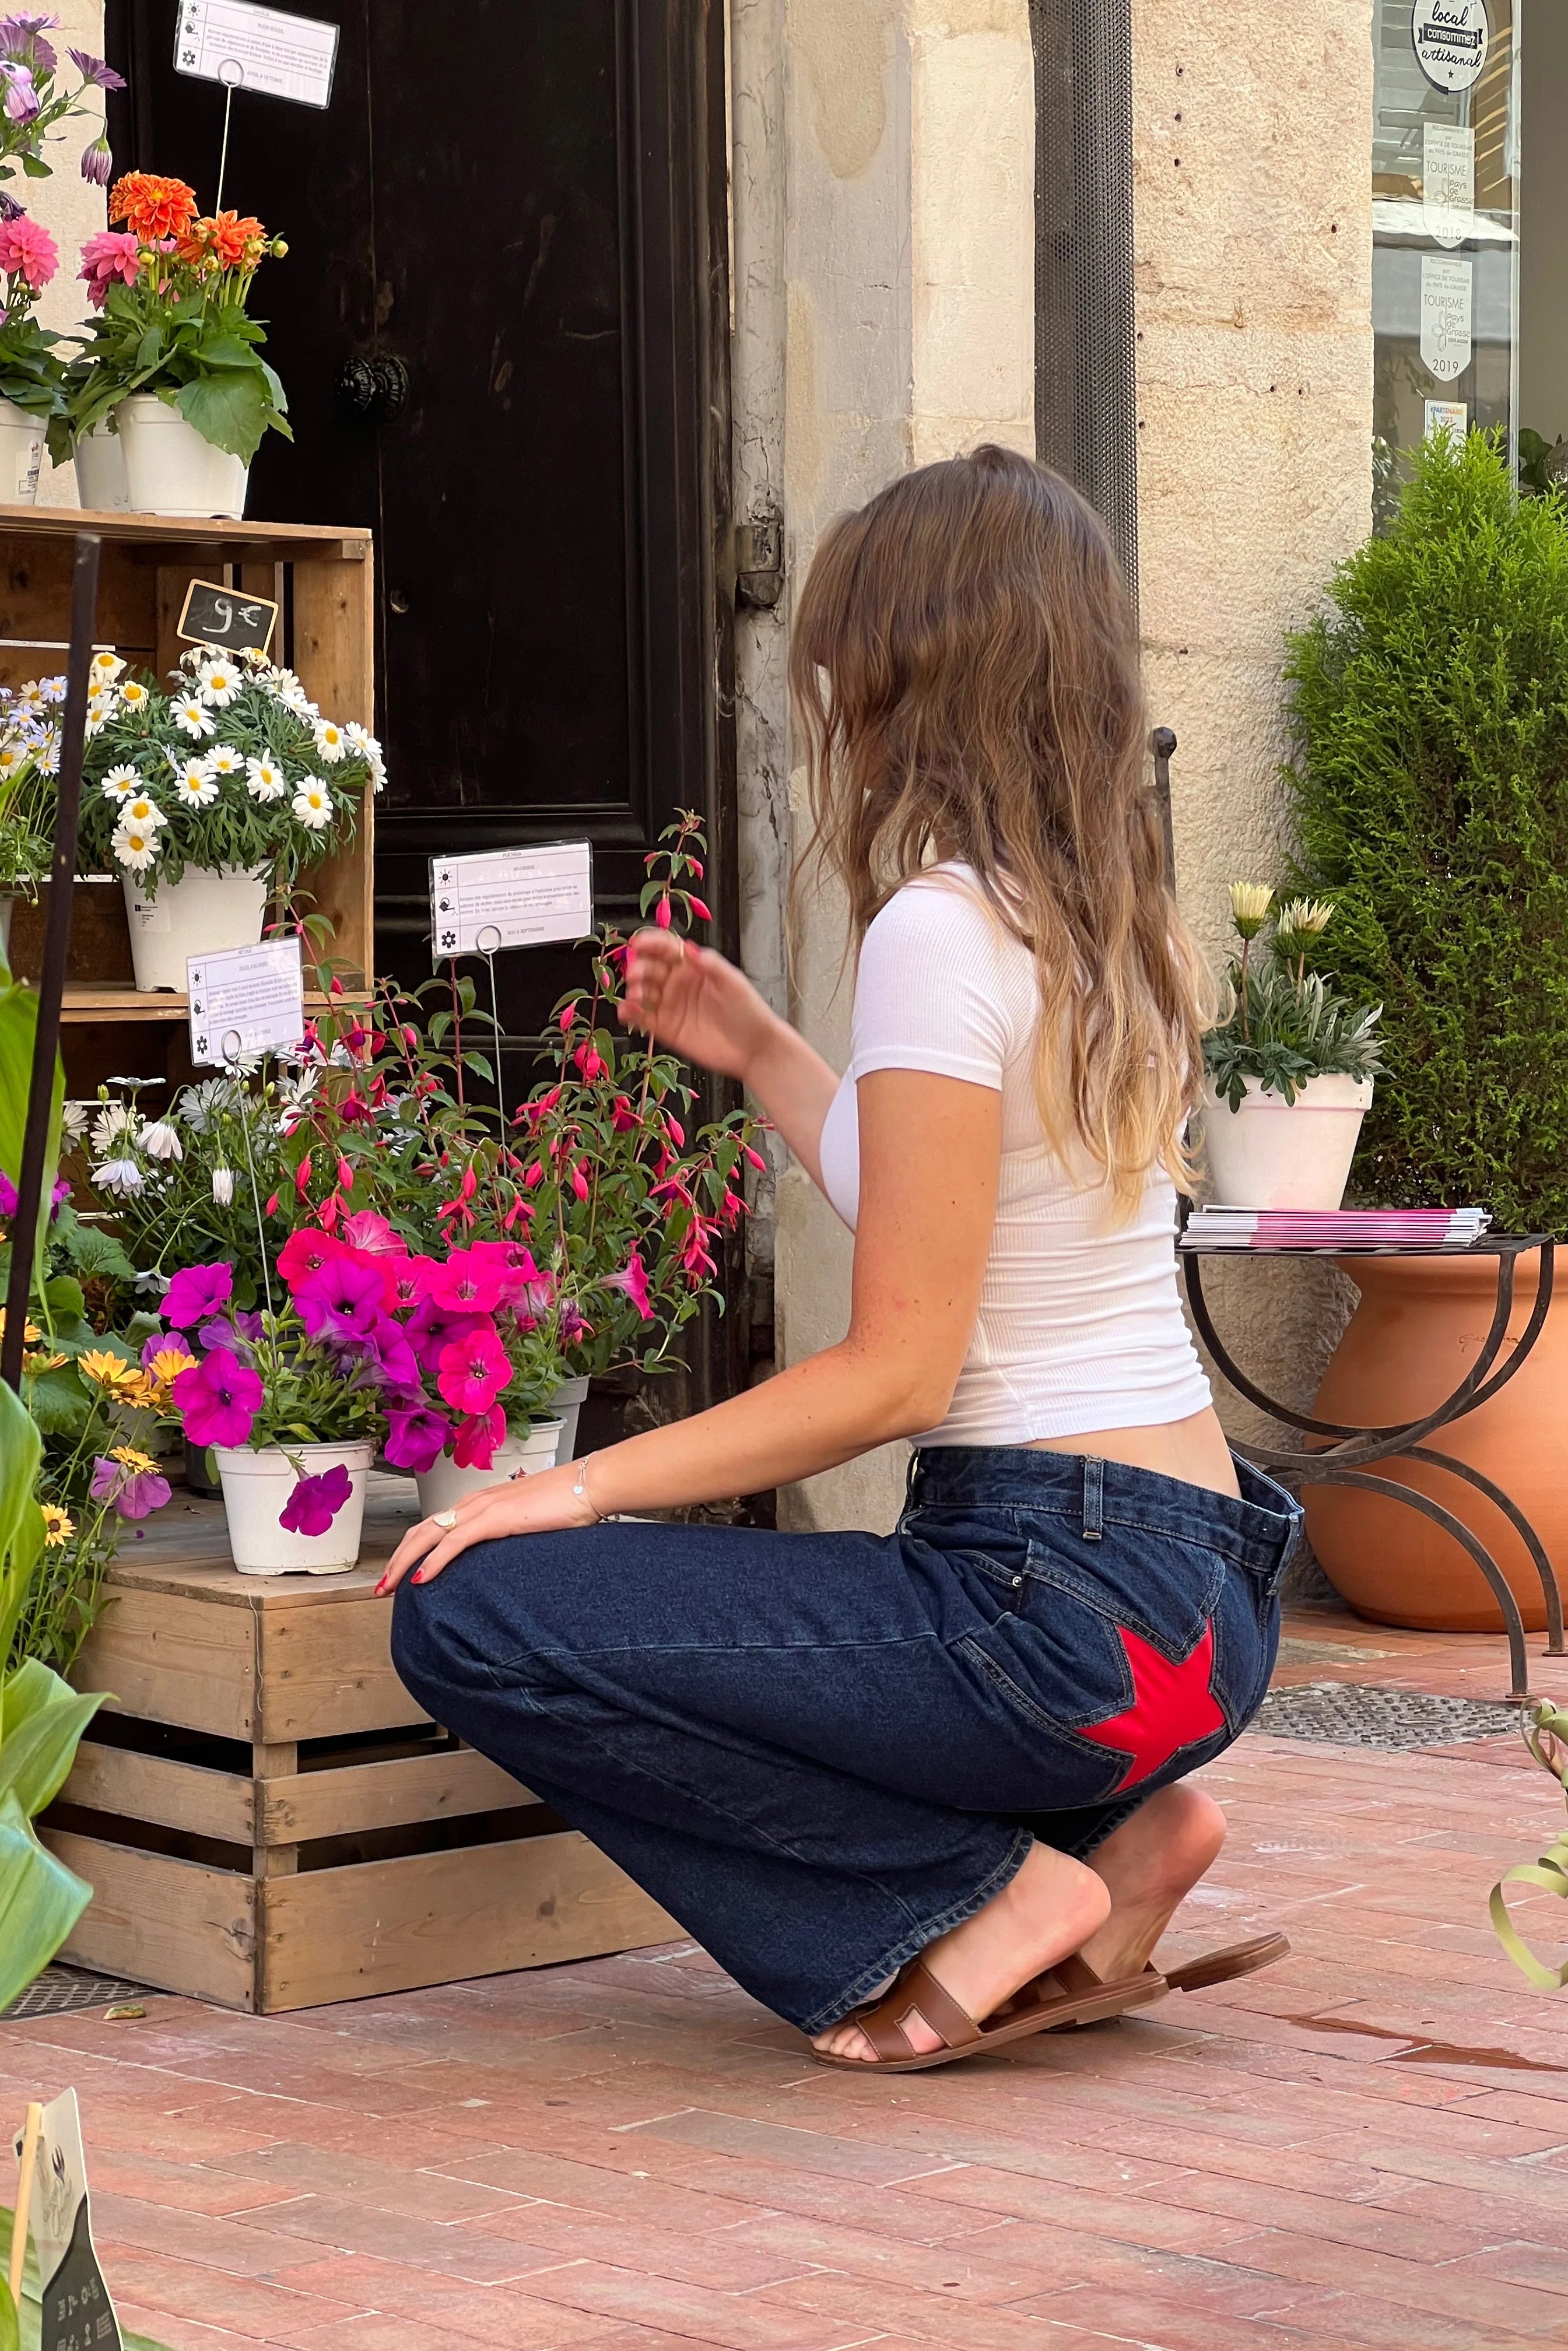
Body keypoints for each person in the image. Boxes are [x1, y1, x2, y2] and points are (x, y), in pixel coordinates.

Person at [383, 444, 1301, 2072]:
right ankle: (1127, 1843)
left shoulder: (938, 928)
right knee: (744, 1629)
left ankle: (980, 1892)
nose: (837, 722)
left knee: (477, 1618)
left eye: (842, 679)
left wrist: (568, 1487)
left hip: (1047, 1613)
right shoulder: (1107, 917)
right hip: (1203, 1614)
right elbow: (973, 1213)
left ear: (912, 678)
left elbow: (902, 1374)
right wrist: (766, 1054)